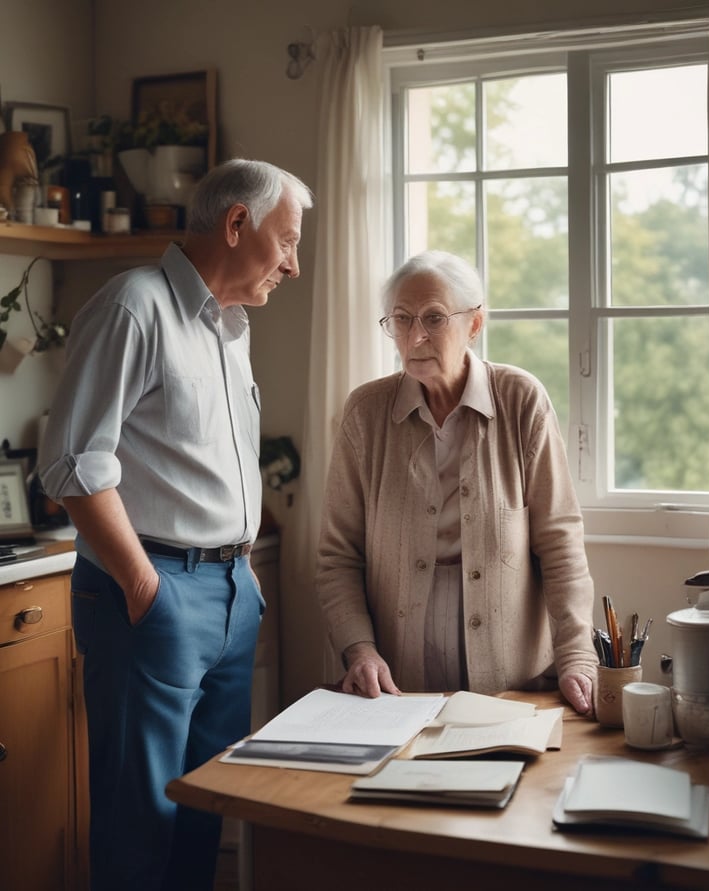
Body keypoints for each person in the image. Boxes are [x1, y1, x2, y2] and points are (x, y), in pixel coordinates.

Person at [39, 159, 313, 891]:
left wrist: (241, 573)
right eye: (286, 241)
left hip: (229, 591)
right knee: (139, 828)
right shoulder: (134, 305)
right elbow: (70, 462)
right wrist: (142, 585)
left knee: (202, 814)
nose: (293, 262)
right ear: (235, 224)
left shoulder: (231, 326)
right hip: (157, 596)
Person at [315, 250, 597, 715]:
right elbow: (338, 557)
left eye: (434, 318)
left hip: (511, 671)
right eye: (401, 319)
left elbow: (559, 541)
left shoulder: (520, 400)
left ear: (475, 323)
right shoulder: (365, 413)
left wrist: (576, 655)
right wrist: (359, 648)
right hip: (397, 675)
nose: (415, 336)